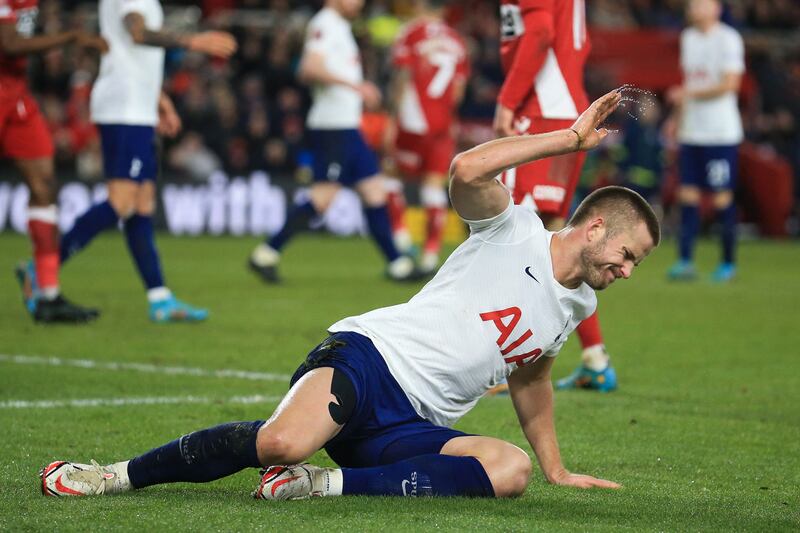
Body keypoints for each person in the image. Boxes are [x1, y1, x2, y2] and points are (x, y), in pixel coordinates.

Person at [40, 90, 661, 500]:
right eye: (628, 255)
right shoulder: (515, 227)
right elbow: (466, 171)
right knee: (279, 442)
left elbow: (532, 380)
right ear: (596, 227)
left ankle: (322, 486)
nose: (628, 272)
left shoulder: (579, 305)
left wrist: (554, 465)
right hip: (369, 359)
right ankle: (112, 476)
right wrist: (568, 141)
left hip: (414, 425)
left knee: (510, 471)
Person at [55, 0, 237, 322]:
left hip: (136, 104)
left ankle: (159, 298)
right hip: (124, 107)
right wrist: (192, 40)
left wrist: (160, 100)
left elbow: (131, 57)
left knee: (142, 203)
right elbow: (137, 33)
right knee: (122, 200)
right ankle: (43, 268)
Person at [247, 0, 419, 283]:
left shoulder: (339, 25)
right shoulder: (324, 23)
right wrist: (355, 86)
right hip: (332, 126)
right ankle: (266, 253)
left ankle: (397, 264)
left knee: (374, 191)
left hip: (347, 126)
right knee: (323, 198)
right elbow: (308, 68)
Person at [492, 0, 616, 393]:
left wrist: (507, 100)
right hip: (567, 108)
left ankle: (501, 363)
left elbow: (540, 32)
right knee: (558, 241)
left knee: (504, 237)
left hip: (541, 108)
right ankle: (595, 359)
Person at [3, 0, 107, 323]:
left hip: (16, 95)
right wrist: (70, 37)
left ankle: (48, 295)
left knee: (45, 185)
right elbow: (10, 44)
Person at [383, 0, 469, 274]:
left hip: (412, 120)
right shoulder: (457, 42)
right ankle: (431, 256)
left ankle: (402, 241)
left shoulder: (410, 33)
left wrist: (392, 118)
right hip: (442, 124)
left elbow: (403, 76)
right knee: (433, 187)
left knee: (391, 176)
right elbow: (458, 92)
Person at [666, 0, 743, 283]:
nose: (695, 8)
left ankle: (727, 263)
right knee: (687, 194)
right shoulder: (688, 38)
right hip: (693, 132)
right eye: (693, 4)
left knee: (722, 196)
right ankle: (685, 261)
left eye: (702, 4)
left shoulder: (728, 39)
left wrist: (688, 96)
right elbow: (688, 83)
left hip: (720, 133)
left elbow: (731, 84)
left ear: (716, 8)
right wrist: (677, 118)